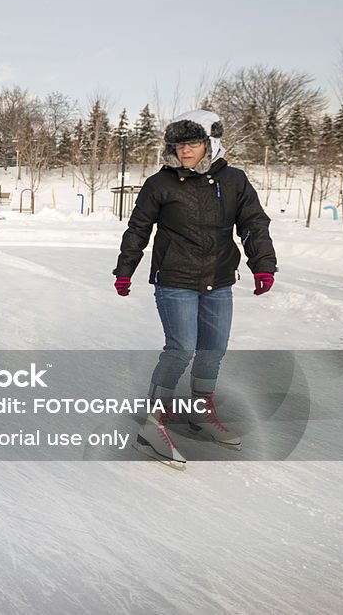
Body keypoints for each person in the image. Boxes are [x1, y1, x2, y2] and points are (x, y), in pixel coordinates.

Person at [113, 109, 277, 468]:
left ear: (210, 144)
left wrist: (262, 264)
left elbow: (253, 224)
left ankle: (200, 416)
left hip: (219, 279)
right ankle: (151, 426)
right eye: (178, 143)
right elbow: (138, 228)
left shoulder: (234, 180)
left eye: (192, 142)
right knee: (181, 349)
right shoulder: (160, 184)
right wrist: (125, 270)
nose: (184, 150)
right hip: (175, 279)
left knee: (213, 350)